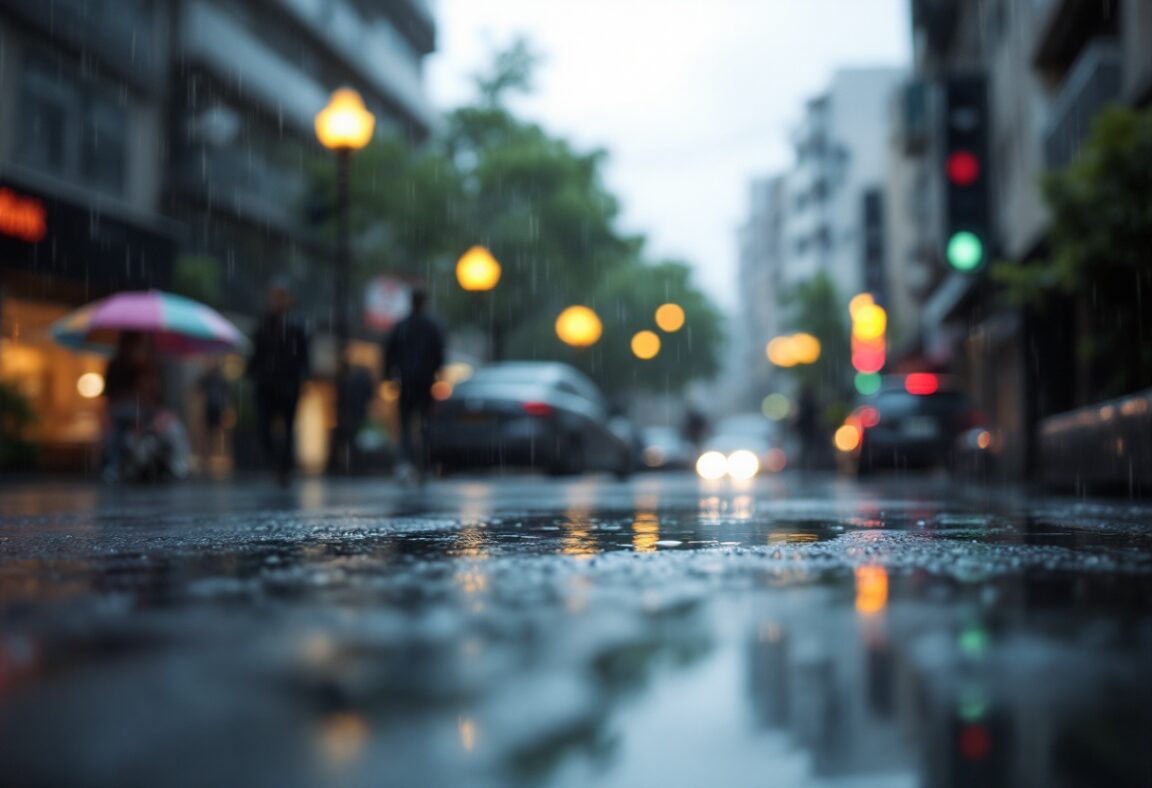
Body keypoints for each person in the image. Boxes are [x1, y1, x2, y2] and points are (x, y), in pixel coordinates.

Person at [247, 280, 310, 485]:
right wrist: (253, 373)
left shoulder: (297, 324)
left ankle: (285, 467)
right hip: (267, 383)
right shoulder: (265, 322)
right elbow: (256, 352)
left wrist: (301, 377)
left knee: (289, 427)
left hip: (288, 384)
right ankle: (277, 463)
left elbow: (303, 355)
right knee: (264, 428)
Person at [382, 287, 445, 483]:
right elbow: (439, 355)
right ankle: (421, 465)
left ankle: (411, 464)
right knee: (422, 426)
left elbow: (389, 353)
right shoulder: (429, 326)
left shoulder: (404, 326)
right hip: (420, 382)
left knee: (408, 426)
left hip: (409, 382)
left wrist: (391, 375)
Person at [101, 330, 158, 481]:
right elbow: (109, 393)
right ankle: (115, 466)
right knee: (117, 438)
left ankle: (132, 466)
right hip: (122, 410)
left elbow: (146, 393)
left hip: (134, 410)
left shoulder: (140, 366)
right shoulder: (117, 366)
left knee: (134, 437)